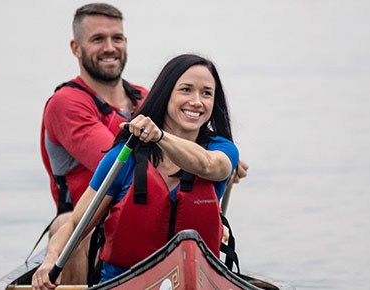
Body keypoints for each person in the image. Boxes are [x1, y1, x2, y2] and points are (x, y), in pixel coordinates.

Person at [39, 3, 248, 285]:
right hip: (119, 265)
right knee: (68, 224)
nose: (196, 101)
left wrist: (226, 163)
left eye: (206, 93)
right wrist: (50, 261)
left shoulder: (218, 147)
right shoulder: (99, 132)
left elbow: (211, 164)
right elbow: (78, 220)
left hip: (194, 276)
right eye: (185, 90)